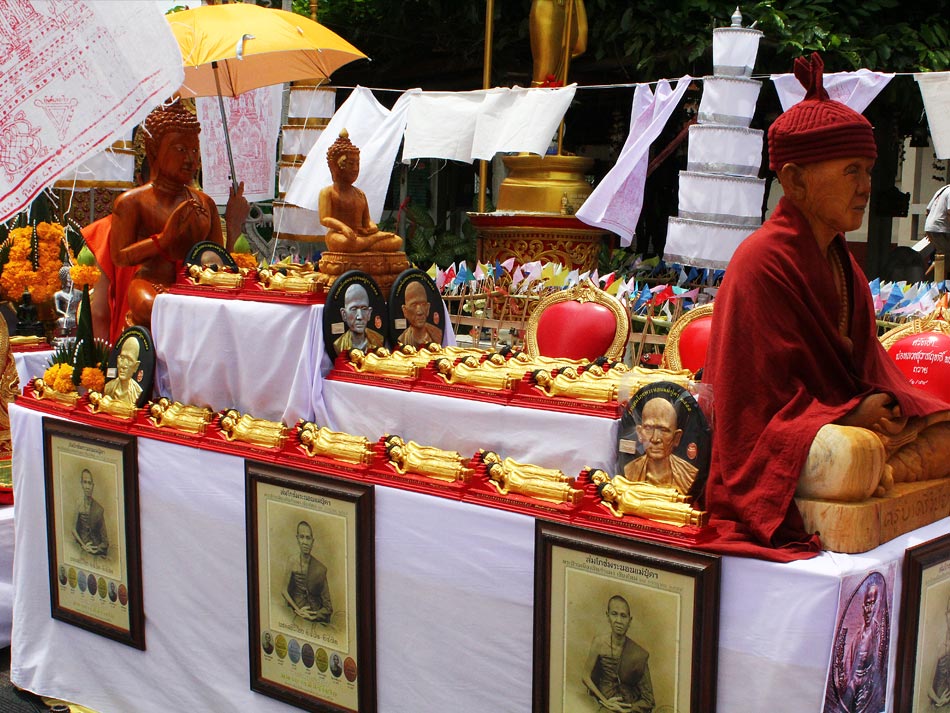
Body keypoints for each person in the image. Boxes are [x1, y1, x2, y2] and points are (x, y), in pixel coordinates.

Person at [703, 53, 950, 560]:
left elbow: (863, 366)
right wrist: (850, 413)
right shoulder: (761, 262)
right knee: (849, 455)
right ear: (795, 182)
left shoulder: (843, 264)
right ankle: (873, 469)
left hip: (839, 428)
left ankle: (880, 471)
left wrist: (884, 404)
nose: (866, 188)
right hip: (788, 446)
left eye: (868, 171)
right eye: (852, 171)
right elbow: (753, 408)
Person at [103, 101, 248, 336]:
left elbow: (218, 261)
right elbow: (120, 257)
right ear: (154, 151)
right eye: (181, 150)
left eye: (194, 151)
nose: (190, 159)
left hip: (195, 287)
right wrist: (163, 238)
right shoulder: (132, 202)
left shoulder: (204, 202)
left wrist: (233, 223)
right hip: (152, 282)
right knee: (156, 309)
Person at [319, 130, 403, 253]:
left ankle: (366, 244)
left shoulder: (359, 194)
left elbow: (366, 220)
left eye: (357, 164)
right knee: (344, 243)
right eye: (350, 164)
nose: (355, 169)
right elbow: (325, 218)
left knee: (397, 241)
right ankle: (370, 242)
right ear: (337, 166)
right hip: (340, 235)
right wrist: (343, 227)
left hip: (360, 236)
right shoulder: (328, 192)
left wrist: (371, 227)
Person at [582, 595, 654, 713]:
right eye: (614, 614)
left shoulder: (638, 654)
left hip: (627, 705)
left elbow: (649, 700)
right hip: (603, 701)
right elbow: (585, 676)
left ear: (629, 621)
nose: (619, 621)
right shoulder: (599, 643)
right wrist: (605, 701)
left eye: (623, 616)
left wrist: (627, 710)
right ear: (607, 616)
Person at [623, 397, 698, 495]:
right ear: (640, 433)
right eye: (649, 428)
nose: (655, 439)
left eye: (663, 430)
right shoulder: (630, 470)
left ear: (676, 437)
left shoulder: (688, 474)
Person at [840, 584, 886, 713]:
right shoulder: (858, 636)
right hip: (854, 683)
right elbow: (848, 663)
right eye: (867, 604)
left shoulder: (877, 632)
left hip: (867, 686)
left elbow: (878, 664)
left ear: (877, 605)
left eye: (872, 604)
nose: (868, 609)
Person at [281, 521, 332, 632]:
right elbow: (284, 590)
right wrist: (297, 609)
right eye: (302, 537)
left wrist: (314, 615)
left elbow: (328, 608)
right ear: (297, 538)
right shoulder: (292, 561)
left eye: (308, 538)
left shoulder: (320, 569)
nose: (305, 542)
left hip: (313, 615)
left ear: (312, 541)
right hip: (296, 611)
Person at [529, 0, 588, 87]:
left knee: (569, 49)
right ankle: (540, 97)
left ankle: (557, 94)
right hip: (548, 5)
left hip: (571, 5)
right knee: (545, 72)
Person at [332, 283, 385, 354]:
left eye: (364, 309)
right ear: (344, 314)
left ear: (369, 313)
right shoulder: (339, 344)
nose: (360, 316)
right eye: (354, 309)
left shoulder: (378, 339)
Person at [72, 468, 108, 558]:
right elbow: (73, 530)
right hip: (81, 545)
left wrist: (95, 549)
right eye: (85, 482)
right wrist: (83, 546)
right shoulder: (78, 504)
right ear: (81, 484)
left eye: (89, 483)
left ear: (93, 485)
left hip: (95, 548)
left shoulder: (98, 509)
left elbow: (105, 541)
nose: (87, 487)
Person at [397, 280, 443, 348]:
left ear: (428, 308)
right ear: (405, 311)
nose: (420, 312)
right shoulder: (402, 339)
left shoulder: (437, 334)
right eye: (414, 305)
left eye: (423, 304)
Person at [103, 337, 143, 407]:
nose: (123, 365)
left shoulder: (137, 392)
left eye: (129, 360)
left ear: (136, 366)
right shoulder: (109, 387)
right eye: (122, 358)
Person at [928, 596, 950, 709]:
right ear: (947, 615)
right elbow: (929, 688)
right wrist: (939, 700)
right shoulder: (939, 646)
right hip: (940, 706)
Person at [926, 184, 950, 282]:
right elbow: (949, 212)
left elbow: (928, 210)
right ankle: (938, 286)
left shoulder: (942, 189)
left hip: (932, 227)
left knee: (942, 256)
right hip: (940, 229)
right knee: (945, 258)